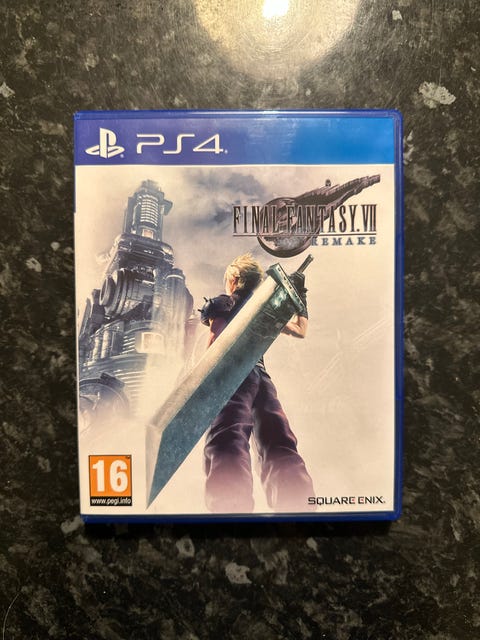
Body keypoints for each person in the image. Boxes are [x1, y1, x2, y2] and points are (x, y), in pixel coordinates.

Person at [200, 253, 315, 513]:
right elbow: (301, 330)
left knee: (228, 436)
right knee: (277, 439)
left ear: (235, 278)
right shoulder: (267, 309)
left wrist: (205, 385)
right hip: (261, 379)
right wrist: (300, 296)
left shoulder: (224, 302)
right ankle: (297, 502)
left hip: (233, 375)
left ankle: (229, 507)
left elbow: (216, 344)